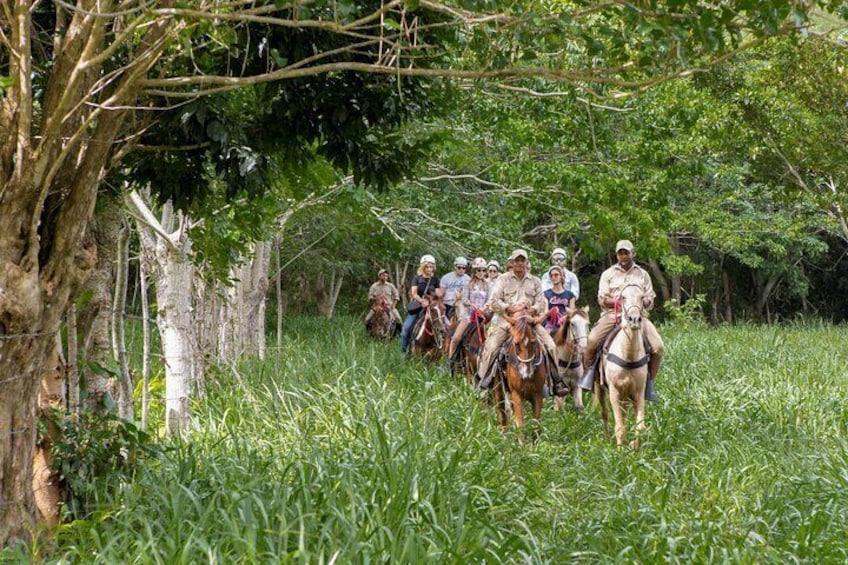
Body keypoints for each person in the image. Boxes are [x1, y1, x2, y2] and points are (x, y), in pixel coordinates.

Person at [578, 240, 664, 401]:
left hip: (638, 316)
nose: (623, 256)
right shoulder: (608, 274)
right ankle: (589, 376)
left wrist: (644, 302)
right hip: (613, 314)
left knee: (658, 347)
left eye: (626, 253)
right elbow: (602, 299)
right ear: (617, 255)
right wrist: (617, 301)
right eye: (620, 253)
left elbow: (650, 297)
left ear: (633, 253)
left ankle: (649, 382)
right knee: (591, 341)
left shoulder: (642, 274)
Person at [476, 249, 567, 395]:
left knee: (551, 346)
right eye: (516, 260)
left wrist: (531, 310)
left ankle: (556, 381)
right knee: (492, 346)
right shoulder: (503, 279)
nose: (519, 263)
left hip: (530, 322)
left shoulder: (535, 281)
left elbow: (541, 303)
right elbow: (493, 301)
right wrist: (509, 307)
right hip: (507, 321)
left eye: (522, 260)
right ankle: (484, 382)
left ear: (526, 262)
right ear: (512, 262)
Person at [448, 258, 491, 361]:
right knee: (456, 338)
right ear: (474, 271)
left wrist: (484, 308)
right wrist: (471, 305)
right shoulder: (468, 284)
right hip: (469, 315)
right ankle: (451, 360)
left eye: (483, 270)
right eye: (478, 270)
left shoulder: (488, 285)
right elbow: (464, 299)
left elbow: (490, 300)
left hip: (483, 315)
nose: (481, 273)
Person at [400, 255, 442, 355]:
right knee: (405, 329)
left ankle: (440, 352)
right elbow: (414, 293)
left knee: (442, 328)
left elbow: (439, 294)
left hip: (432, 308)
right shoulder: (417, 278)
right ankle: (403, 352)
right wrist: (422, 301)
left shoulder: (436, 280)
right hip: (419, 307)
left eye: (431, 266)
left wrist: (433, 301)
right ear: (423, 267)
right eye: (427, 266)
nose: (429, 268)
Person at [543, 265, 575, 331]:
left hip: (565, 322)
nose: (553, 277)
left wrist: (565, 318)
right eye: (551, 276)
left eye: (556, 275)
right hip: (550, 323)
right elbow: (545, 312)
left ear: (561, 276)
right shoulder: (546, 294)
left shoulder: (570, 295)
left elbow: (572, 312)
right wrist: (551, 312)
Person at [440, 257, 470, 321]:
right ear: (455, 267)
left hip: (462, 306)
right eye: (459, 267)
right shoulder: (446, 277)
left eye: (463, 268)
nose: (461, 270)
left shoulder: (468, 279)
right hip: (448, 305)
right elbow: (441, 294)